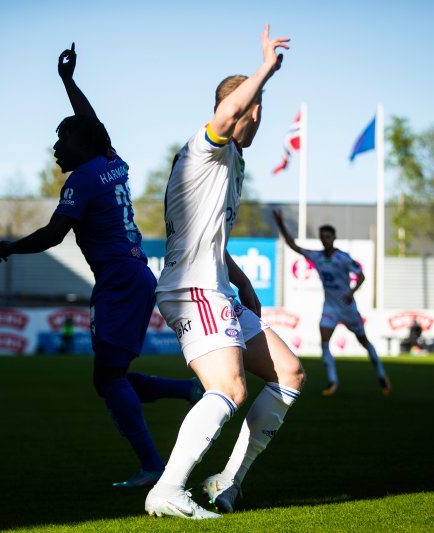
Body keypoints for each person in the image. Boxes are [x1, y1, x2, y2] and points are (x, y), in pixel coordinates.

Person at [0, 43, 202, 488]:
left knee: (107, 379)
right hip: (133, 276)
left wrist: (11, 246)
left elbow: (54, 234)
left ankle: (153, 467)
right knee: (111, 377)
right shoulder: (112, 163)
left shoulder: (84, 178)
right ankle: (186, 392)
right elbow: (93, 128)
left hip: (119, 282)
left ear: (81, 144)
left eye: (61, 139)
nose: (55, 147)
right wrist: (68, 82)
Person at [144, 25, 305, 520]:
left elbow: (210, 235)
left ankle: (225, 483)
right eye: (256, 110)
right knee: (230, 388)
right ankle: (168, 490)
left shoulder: (232, 162)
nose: (257, 120)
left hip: (215, 286)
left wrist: (241, 278)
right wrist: (266, 69)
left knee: (290, 373)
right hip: (192, 290)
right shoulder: (206, 147)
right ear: (245, 108)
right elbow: (228, 112)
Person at [272, 213, 391, 396]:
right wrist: (281, 225)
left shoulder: (342, 257)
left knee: (364, 342)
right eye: (322, 237)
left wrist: (351, 292)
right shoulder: (317, 256)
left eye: (328, 236)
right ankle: (332, 381)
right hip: (330, 308)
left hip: (347, 308)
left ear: (334, 238)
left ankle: (382, 375)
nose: (325, 239)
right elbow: (293, 246)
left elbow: (361, 276)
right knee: (325, 342)